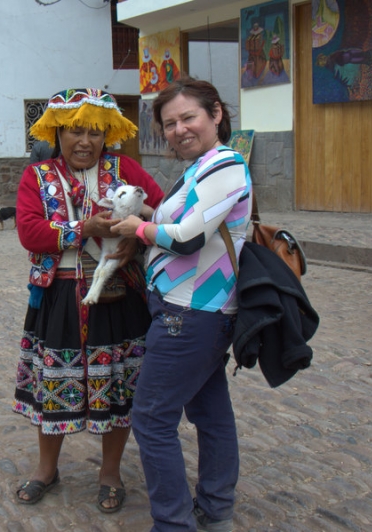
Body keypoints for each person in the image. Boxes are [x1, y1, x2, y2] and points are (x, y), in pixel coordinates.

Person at [12, 88, 164, 513]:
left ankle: (110, 472)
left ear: (106, 135)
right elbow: (29, 231)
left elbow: (162, 210)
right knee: (55, 383)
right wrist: (83, 229)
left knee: (117, 384)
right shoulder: (37, 177)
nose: (85, 141)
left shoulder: (125, 169)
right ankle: (47, 469)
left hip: (119, 294)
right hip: (59, 294)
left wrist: (137, 239)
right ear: (57, 134)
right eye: (75, 132)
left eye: (94, 132)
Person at [112, 77, 253, 531]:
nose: (179, 130)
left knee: (152, 419)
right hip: (189, 311)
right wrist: (146, 215)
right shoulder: (199, 167)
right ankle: (214, 509)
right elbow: (180, 219)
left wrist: (137, 229)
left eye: (188, 117)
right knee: (210, 413)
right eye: (169, 123)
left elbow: (189, 237)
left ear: (216, 114)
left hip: (191, 314)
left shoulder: (225, 165)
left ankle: (174, 524)